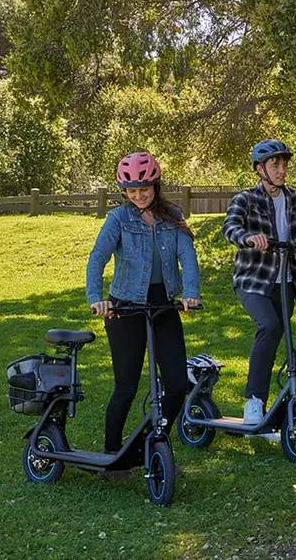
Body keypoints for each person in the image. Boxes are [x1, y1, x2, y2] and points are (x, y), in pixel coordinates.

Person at [86, 151, 201, 461]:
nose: (138, 196)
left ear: (156, 185)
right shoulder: (118, 219)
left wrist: (190, 293)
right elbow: (98, 258)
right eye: (132, 191)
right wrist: (97, 298)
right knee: (127, 385)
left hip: (163, 306)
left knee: (177, 383)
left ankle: (153, 438)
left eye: (144, 189)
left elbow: (187, 256)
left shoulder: (173, 216)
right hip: (125, 308)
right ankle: (113, 450)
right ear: (124, 191)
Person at [222, 139, 296, 426]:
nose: (281, 170)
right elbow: (230, 227)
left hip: (286, 281)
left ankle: (277, 403)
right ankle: (253, 401)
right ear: (260, 169)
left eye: (284, 165)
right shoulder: (245, 199)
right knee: (269, 326)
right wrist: (248, 238)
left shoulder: (294, 198)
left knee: (277, 335)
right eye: (274, 165)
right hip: (253, 280)